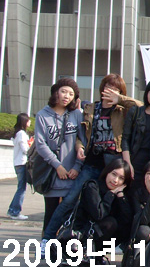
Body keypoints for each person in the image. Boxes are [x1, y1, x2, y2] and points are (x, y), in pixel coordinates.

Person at [42, 74, 141, 246]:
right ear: (102, 89)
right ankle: (48, 237)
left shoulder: (122, 110)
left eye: (116, 89)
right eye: (108, 87)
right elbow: (82, 134)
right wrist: (79, 146)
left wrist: (120, 99)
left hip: (113, 163)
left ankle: (121, 244)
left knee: (119, 202)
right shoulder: (91, 108)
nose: (111, 91)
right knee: (70, 200)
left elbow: (141, 106)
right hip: (92, 162)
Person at [34, 79, 84, 245]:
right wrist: (58, 166)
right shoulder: (42, 115)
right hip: (52, 174)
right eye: (64, 91)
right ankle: (46, 245)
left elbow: (82, 141)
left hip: (72, 175)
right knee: (51, 212)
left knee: (69, 215)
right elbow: (40, 144)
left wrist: (77, 167)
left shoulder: (77, 115)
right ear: (55, 92)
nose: (66, 96)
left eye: (71, 94)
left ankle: (64, 248)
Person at [72, 158, 133, 258]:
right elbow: (99, 214)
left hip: (97, 235)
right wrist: (110, 195)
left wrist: (120, 196)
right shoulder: (92, 186)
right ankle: (86, 253)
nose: (115, 180)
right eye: (114, 174)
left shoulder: (118, 193)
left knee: (125, 227)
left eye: (121, 178)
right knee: (110, 223)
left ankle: (98, 255)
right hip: (82, 233)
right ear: (107, 172)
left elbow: (127, 219)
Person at [7, 113, 31, 220]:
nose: (30, 122)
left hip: (19, 163)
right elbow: (25, 149)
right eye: (28, 120)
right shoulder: (21, 134)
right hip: (21, 163)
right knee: (21, 188)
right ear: (24, 121)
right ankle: (14, 211)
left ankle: (12, 210)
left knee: (21, 187)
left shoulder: (19, 133)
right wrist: (31, 146)